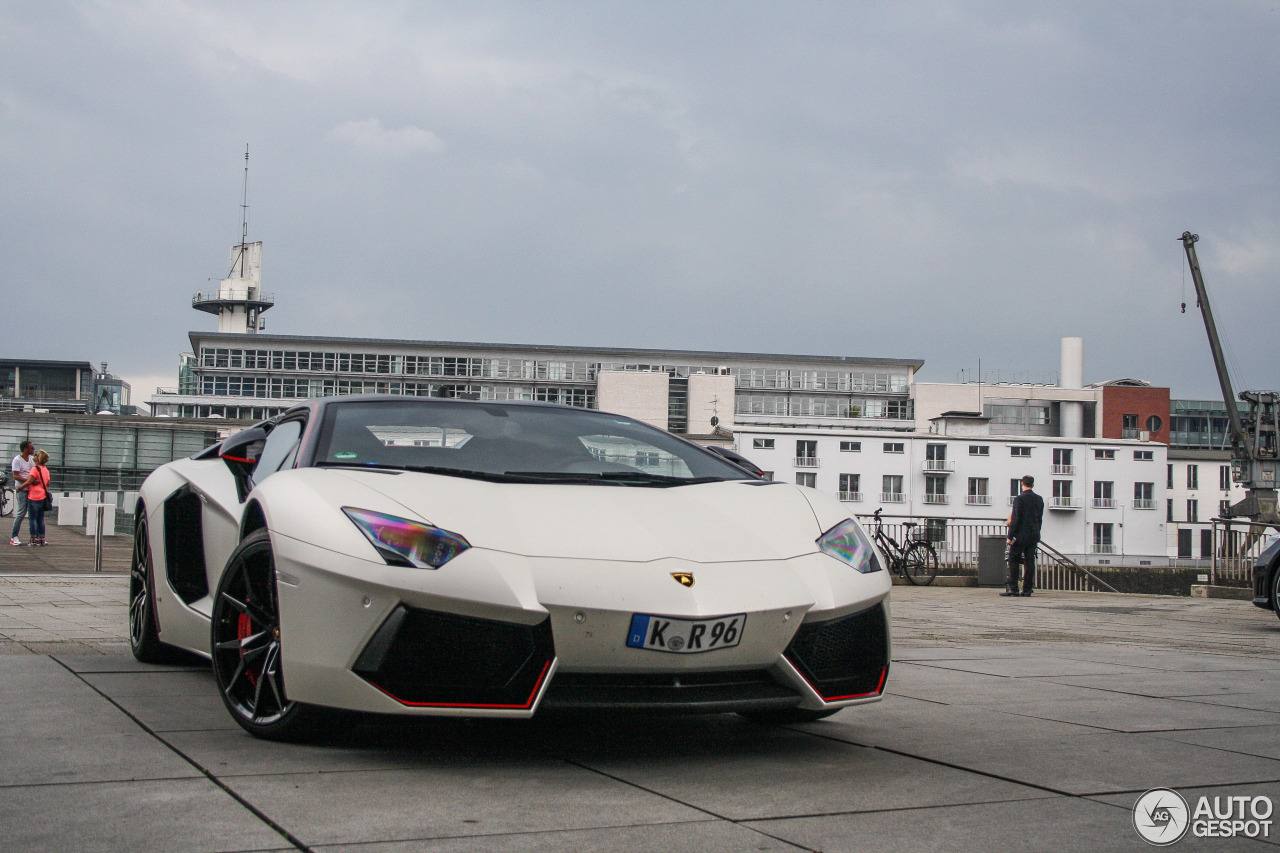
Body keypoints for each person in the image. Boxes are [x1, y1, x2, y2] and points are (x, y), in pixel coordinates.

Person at [1002, 474, 1044, 597]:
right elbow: (1039, 519)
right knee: (1029, 561)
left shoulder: (1019, 499)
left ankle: (1014, 588)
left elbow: (1016, 519)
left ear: (1022, 484)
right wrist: (1037, 532)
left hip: (1020, 536)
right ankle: (1027, 589)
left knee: (1013, 559)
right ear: (1033, 484)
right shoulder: (1039, 499)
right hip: (1033, 535)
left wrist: (1010, 537)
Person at [21, 450, 51, 547]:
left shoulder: (35, 469)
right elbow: (48, 483)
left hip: (33, 496)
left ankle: (33, 539)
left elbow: (29, 481)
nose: (34, 456)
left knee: (32, 519)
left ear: (38, 458)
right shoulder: (46, 470)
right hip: (42, 496)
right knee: (41, 519)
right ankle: (42, 539)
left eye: (36, 455)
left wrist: (19, 488)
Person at [10, 440, 34, 546]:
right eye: (31, 448)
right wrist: (28, 481)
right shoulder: (17, 460)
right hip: (22, 490)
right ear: (25, 449)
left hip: (31, 490)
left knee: (33, 514)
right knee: (21, 513)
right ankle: (14, 536)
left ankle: (34, 537)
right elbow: (15, 476)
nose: (33, 449)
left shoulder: (32, 459)